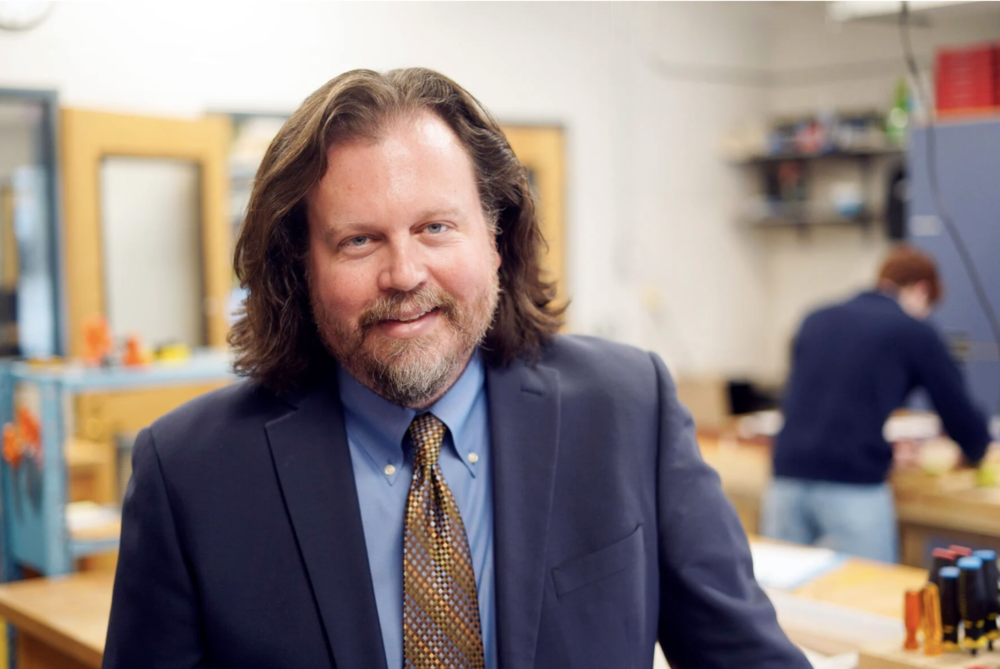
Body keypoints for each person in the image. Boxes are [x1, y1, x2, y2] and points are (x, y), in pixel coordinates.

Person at [104, 68, 808, 669]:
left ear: (497, 238)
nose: (405, 273)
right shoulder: (191, 473)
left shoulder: (628, 409)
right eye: (358, 240)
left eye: (436, 227)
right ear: (301, 268)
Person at [763, 245, 993, 564]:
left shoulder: (816, 318)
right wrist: (979, 450)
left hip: (785, 478)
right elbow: (957, 411)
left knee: (781, 596)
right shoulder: (913, 330)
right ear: (922, 291)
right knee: (865, 597)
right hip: (852, 486)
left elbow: (817, 401)